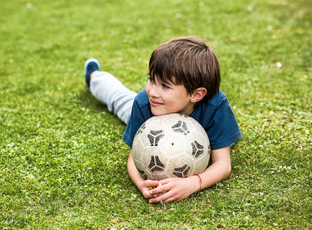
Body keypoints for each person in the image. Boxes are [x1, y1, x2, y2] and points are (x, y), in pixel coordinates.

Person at [84, 36, 242, 203]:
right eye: (151, 79)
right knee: (119, 99)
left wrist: (192, 184)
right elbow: (133, 159)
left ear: (196, 94)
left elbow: (223, 164)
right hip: (151, 112)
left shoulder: (215, 106)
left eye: (165, 86)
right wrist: (141, 183)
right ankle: (95, 76)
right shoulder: (145, 102)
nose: (152, 91)